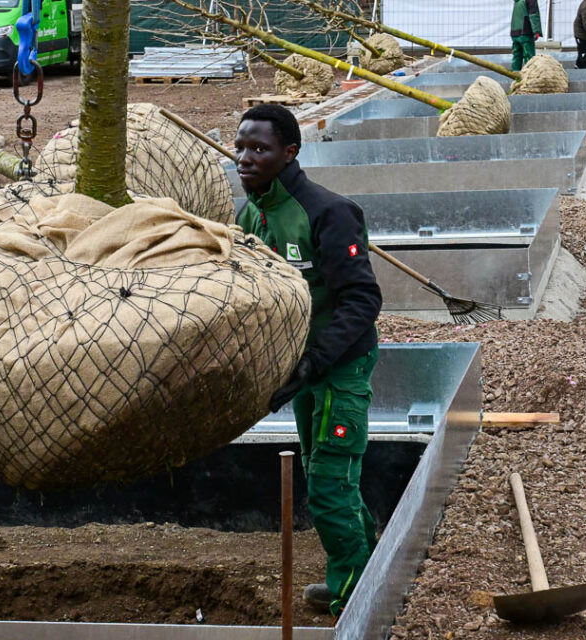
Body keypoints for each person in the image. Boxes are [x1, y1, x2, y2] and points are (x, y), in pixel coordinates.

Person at [234, 105, 382, 618]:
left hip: (339, 366)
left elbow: (364, 301)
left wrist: (315, 361)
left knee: (326, 483)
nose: (245, 159)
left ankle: (353, 593)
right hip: (300, 370)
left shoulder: (328, 213)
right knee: (330, 474)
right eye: (241, 147)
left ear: (290, 153)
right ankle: (370, 563)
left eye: (259, 149)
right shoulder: (250, 214)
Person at [511, 0, 544, 71]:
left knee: (517, 56)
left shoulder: (517, 1)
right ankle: (529, 78)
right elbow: (533, 14)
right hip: (525, 32)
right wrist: (536, 31)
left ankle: (515, 77)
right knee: (529, 58)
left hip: (514, 32)